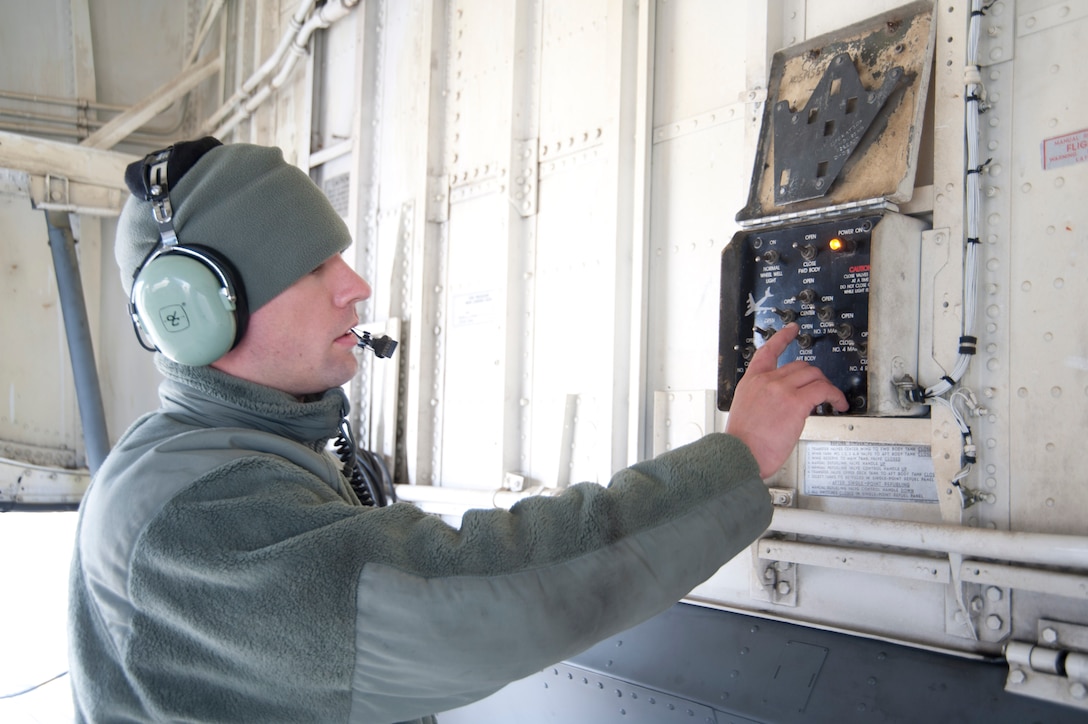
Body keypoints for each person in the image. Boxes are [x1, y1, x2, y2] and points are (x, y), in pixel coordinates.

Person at [68, 138, 848, 724]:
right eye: (312, 268)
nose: (356, 287)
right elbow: (469, 593)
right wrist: (737, 458)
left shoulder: (236, 460)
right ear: (196, 312)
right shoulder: (192, 511)